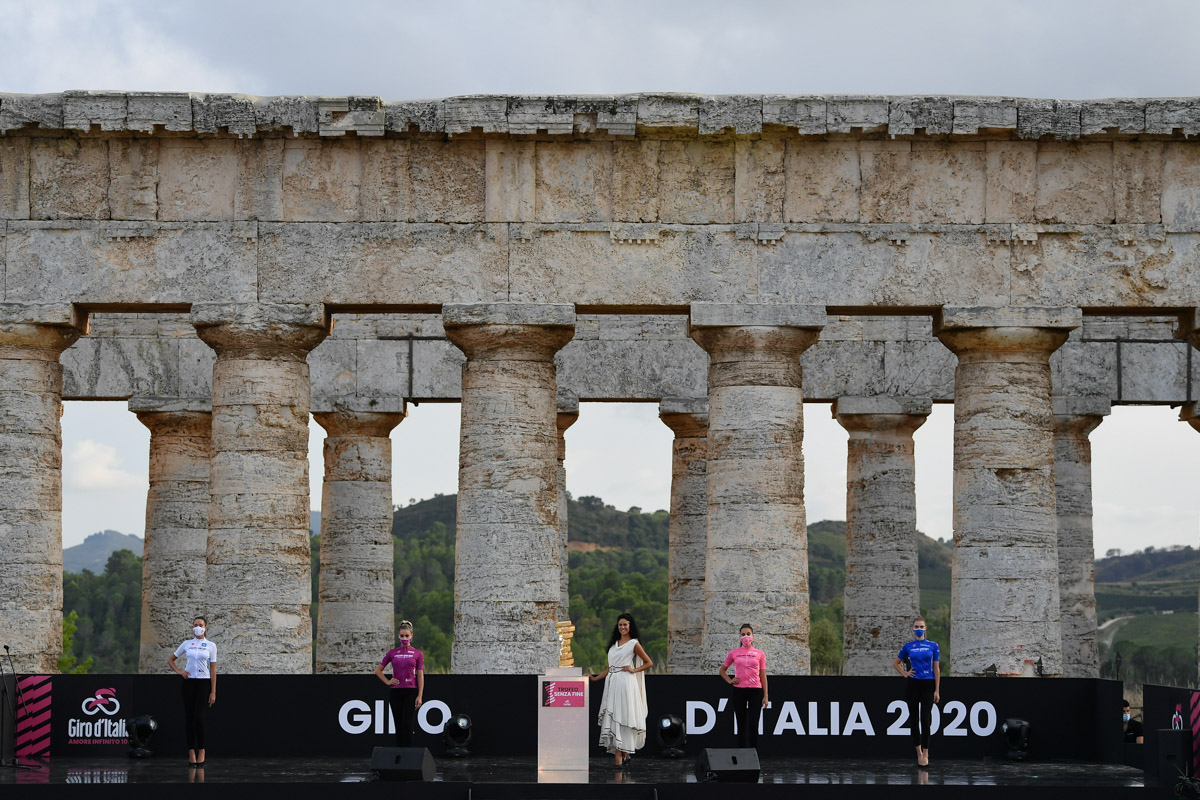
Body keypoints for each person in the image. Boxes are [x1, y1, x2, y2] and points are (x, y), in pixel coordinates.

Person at [589, 612, 652, 767]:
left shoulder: (634, 644)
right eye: (620, 624)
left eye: (625, 624)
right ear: (617, 627)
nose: (623, 627)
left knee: (623, 715)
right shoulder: (613, 644)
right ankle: (623, 752)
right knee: (615, 714)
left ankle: (622, 751)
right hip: (612, 682)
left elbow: (648, 662)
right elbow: (610, 668)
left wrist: (633, 670)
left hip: (625, 683)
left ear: (630, 626)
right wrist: (596, 678)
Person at [168, 616, 217, 767]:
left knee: (199, 717)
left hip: (203, 682)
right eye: (195, 625)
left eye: (200, 625)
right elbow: (171, 659)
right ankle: (191, 750)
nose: (198, 627)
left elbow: (213, 668)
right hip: (189, 682)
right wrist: (179, 671)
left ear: (205, 627)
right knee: (189, 717)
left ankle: (201, 749)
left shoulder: (210, 645)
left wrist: (213, 691)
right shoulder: (187, 644)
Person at [893, 616, 939, 767]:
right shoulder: (908, 646)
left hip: (928, 683)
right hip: (913, 684)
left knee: (925, 719)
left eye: (921, 626)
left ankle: (926, 752)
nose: (919, 629)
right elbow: (896, 663)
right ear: (913, 629)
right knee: (913, 720)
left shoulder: (933, 645)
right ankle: (918, 752)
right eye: (916, 627)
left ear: (925, 628)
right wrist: (905, 673)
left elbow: (936, 668)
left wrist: (937, 690)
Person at [375, 620, 424, 746]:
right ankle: (399, 752)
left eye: (407, 636)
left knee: (407, 723)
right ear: (398, 636)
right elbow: (378, 670)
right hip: (396, 691)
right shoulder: (392, 653)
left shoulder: (418, 653)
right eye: (402, 636)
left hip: (410, 690)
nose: (404, 638)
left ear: (411, 636)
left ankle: (408, 753)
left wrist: (419, 695)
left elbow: (420, 674)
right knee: (398, 723)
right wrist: (387, 681)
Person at [718, 623, 768, 748]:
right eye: (743, 634)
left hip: (755, 690)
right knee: (740, 723)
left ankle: (753, 751)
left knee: (753, 723)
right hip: (739, 691)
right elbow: (722, 670)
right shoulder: (734, 653)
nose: (746, 636)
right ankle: (742, 752)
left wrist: (766, 695)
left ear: (753, 636)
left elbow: (763, 675)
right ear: (740, 636)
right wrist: (730, 680)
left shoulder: (759, 654)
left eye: (748, 634)